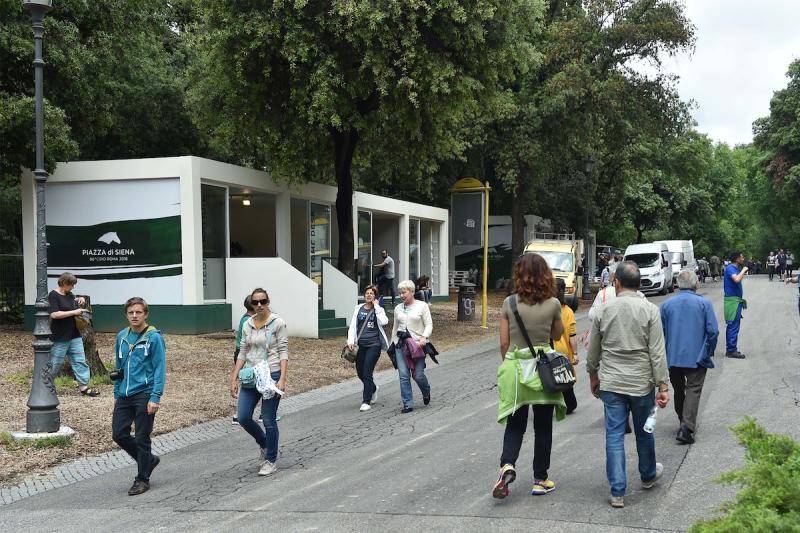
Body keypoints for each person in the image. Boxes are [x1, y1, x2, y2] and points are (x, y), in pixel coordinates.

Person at [586, 261, 670, 509]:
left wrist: (593, 375)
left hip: (611, 383)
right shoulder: (650, 310)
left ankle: (618, 491)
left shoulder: (604, 309)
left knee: (614, 435)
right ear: (640, 284)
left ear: (617, 282)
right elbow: (657, 353)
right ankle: (647, 476)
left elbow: (593, 350)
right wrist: (663, 386)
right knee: (645, 431)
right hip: (642, 384)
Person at [492, 253, 566, 500]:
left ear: (518, 275)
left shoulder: (509, 304)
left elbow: (504, 343)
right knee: (543, 426)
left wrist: (512, 365)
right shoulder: (554, 304)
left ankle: (507, 464)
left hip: (516, 368)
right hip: (543, 369)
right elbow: (557, 334)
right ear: (546, 275)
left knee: (516, 425)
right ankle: (540, 479)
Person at [230, 288, 289, 476]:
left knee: (268, 418)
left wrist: (282, 379)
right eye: (255, 302)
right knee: (243, 417)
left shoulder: (278, 323)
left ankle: (270, 460)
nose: (259, 305)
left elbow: (283, 352)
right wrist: (234, 377)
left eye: (263, 301)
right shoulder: (247, 324)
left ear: (268, 301)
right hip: (251, 375)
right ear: (251, 304)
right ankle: (264, 442)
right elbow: (242, 351)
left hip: (271, 374)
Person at [112, 297, 166, 496]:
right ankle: (149, 460)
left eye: (138, 312)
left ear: (146, 314)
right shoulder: (122, 336)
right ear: (126, 314)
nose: (134, 316)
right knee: (119, 434)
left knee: (142, 437)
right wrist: (117, 392)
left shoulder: (154, 338)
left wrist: (155, 397)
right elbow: (118, 366)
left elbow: (160, 368)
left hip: (144, 393)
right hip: (124, 394)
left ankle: (142, 479)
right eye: (131, 312)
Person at [660, 270, 718, 444]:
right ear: (696, 284)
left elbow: (661, 332)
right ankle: (686, 427)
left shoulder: (666, 305)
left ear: (677, 284)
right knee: (693, 390)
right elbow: (713, 331)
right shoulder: (703, 303)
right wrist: (709, 349)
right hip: (697, 355)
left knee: (679, 389)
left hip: (673, 356)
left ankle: (683, 420)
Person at [48, 272, 99, 397]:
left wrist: (79, 299)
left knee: (80, 361)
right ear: (65, 283)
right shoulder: (53, 295)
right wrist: (74, 312)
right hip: (60, 335)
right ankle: (46, 386)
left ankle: (84, 387)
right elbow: (54, 314)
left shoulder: (69, 294)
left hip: (74, 335)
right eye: (72, 285)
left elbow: (72, 301)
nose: (73, 288)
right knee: (55, 363)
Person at [390, 279, 433, 413]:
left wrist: (424, 337)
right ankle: (407, 404)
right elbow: (395, 328)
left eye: (404, 292)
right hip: (401, 346)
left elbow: (429, 324)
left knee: (418, 375)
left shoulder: (422, 306)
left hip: (417, 346)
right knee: (403, 375)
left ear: (412, 292)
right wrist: (393, 342)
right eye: (400, 293)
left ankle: (426, 391)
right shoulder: (398, 308)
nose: (402, 295)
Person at [347, 285, 389, 412]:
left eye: (371, 293)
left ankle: (366, 401)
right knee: (360, 373)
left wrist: (376, 307)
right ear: (364, 295)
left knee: (367, 372)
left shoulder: (379, 310)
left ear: (375, 296)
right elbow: (353, 326)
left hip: (374, 345)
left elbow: (384, 321)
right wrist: (350, 340)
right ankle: (373, 388)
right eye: (367, 293)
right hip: (360, 345)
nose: (369, 295)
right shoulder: (358, 308)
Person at [554, 278, 578, 414]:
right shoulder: (567, 311)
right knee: (565, 381)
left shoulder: (543, 307)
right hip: (562, 353)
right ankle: (568, 404)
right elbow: (572, 336)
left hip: (547, 350)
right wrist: (575, 354)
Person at [232, 295, 255, 424]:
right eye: (256, 303)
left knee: (248, 382)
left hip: (241, 353)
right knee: (246, 382)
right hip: (243, 354)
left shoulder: (245, 318)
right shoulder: (248, 320)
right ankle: (238, 414)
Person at [723, 252, 748, 359]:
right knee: (733, 326)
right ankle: (731, 350)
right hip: (732, 301)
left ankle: (731, 349)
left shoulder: (733, 268)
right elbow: (737, 279)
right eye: (742, 257)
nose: (743, 259)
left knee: (733, 325)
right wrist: (744, 270)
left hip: (735, 301)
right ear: (737, 259)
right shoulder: (730, 269)